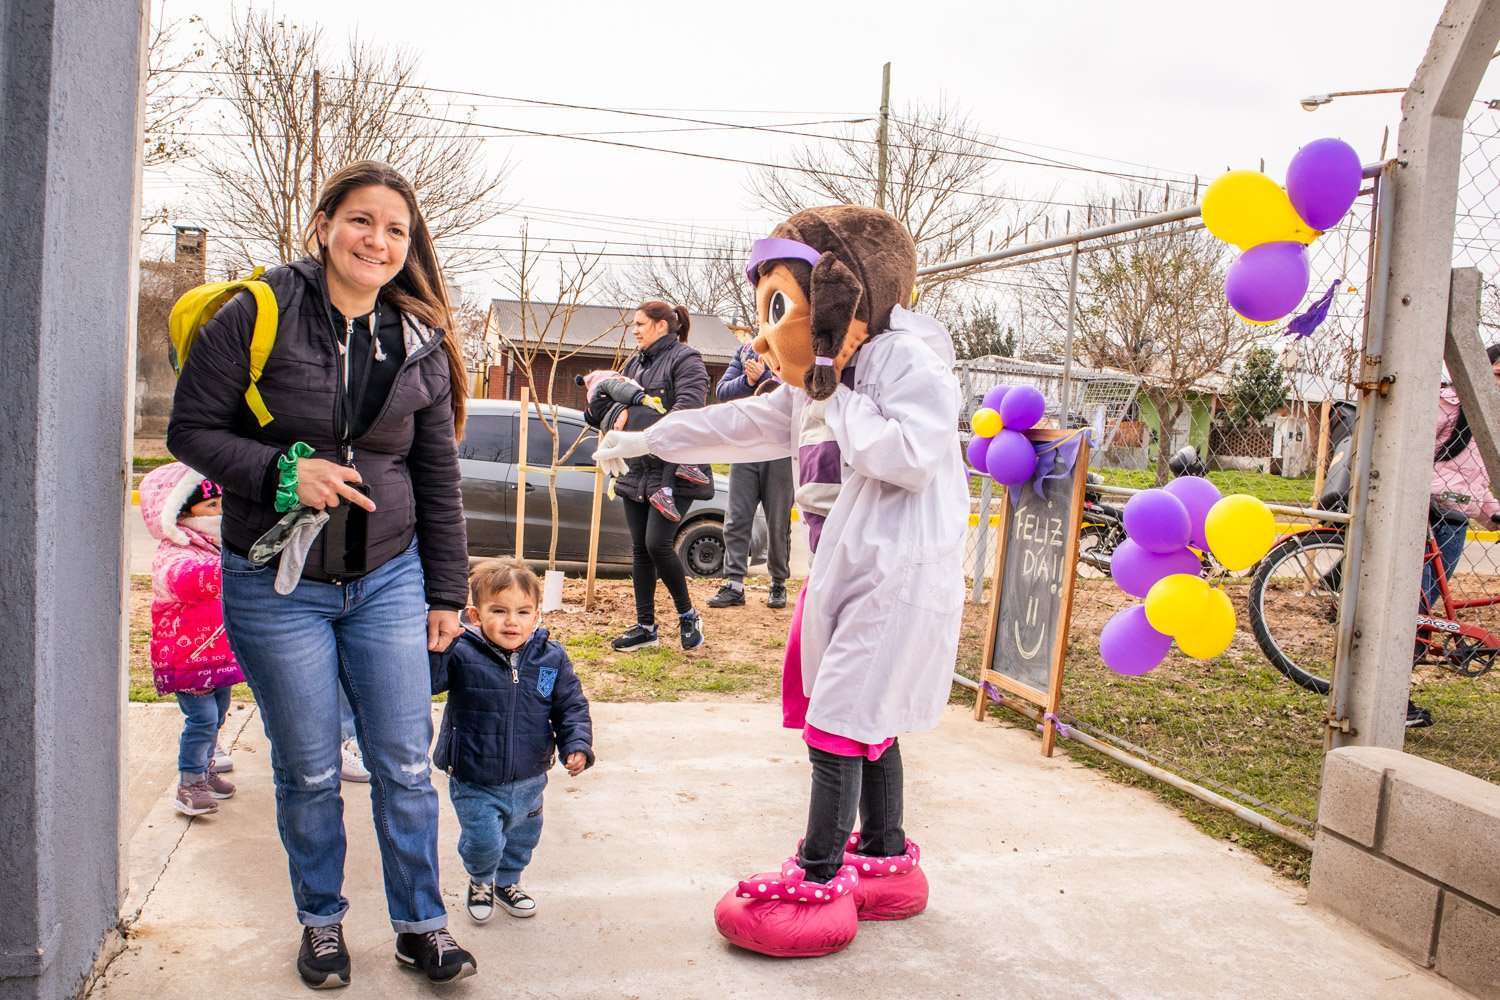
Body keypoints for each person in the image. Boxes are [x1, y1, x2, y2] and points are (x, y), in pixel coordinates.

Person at [596, 206, 966, 957]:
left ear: (839, 298)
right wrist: (649, 439)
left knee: (842, 717)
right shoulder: (811, 386)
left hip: (895, 569)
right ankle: (885, 859)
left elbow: (913, 457)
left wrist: (832, 392)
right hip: (845, 566)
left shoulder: (904, 363)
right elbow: (741, 425)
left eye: (779, 309)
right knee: (869, 717)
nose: (763, 339)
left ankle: (819, 877)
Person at [168, 160, 477, 987]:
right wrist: (282, 473)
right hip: (277, 586)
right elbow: (190, 430)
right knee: (307, 769)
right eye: (361, 221)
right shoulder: (255, 313)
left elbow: (437, 476)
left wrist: (447, 591)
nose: (377, 241)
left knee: (404, 763)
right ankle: (322, 924)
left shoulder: (417, 338)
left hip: (389, 577)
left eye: (395, 229)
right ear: (324, 224)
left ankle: (422, 925)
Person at [430, 558, 594, 924]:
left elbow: (570, 706)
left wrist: (576, 744)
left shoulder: (550, 657)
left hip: (530, 776)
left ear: (536, 616)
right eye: (499, 611)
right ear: (475, 615)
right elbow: (430, 682)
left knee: (522, 839)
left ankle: (507, 883)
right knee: (484, 841)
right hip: (474, 776)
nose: (511, 622)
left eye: (522, 612)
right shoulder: (461, 652)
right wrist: (438, 646)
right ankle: (481, 880)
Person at [138, 463, 244, 817]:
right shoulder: (175, 550)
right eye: (211, 506)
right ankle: (189, 784)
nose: (220, 512)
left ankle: (205, 769)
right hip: (187, 658)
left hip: (216, 656)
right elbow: (184, 581)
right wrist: (231, 569)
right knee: (201, 720)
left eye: (222, 504)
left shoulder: (213, 546)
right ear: (180, 513)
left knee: (218, 716)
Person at [610, 301, 712, 653]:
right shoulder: (634, 363)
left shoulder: (687, 360)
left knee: (657, 543)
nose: (635, 330)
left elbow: (688, 409)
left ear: (661, 326)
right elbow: (617, 403)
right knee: (640, 549)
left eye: (640, 324)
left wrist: (647, 435)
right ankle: (646, 627)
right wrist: (604, 413)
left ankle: (688, 616)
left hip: (676, 471)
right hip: (637, 468)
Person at [1410, 342, 1500, 728]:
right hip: (1420, 514)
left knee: (1424, 609)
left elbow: (1474, 487)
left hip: (1454, 521)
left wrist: (1493, 512)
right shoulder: (1449, 403)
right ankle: (1390, 700)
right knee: (1412, 609)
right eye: (1495, 375)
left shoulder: (1492, 425)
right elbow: (1409, 448)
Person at [707, 340, 793, 610]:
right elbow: (722, 391)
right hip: (745, 448)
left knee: (778, 522)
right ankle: (734, 584)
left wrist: (765, 376)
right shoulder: (746, 352)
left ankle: (778, 582)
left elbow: (796, 394)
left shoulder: (792, 348)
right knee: (736, 517)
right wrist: (748, 380)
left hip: (780, 449)